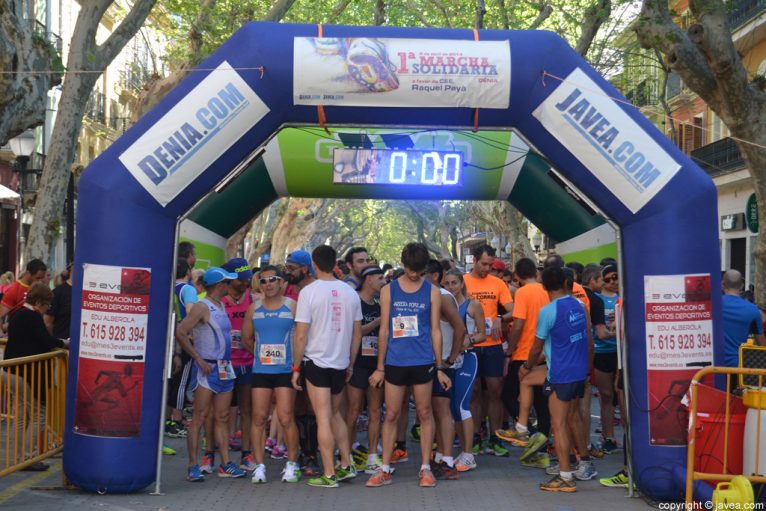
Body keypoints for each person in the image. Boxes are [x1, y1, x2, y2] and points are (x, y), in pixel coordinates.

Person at [366, 242, 450, 488]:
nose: (414, 275)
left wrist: (440, 366)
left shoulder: (432, 291)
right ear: (403, 264)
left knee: (425, 413)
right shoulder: (389, 290)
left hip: (423, 360)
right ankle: (384, 468)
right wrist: (380, 367)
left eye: (419, 271)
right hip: (395, 361)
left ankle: (425, 468)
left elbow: (435, 330)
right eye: (411, 270)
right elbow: (383, 331)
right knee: (391, 414)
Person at [292, 245, 362, 488]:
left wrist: (295, 368)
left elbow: (300, 335)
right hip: (340, 363)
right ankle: (346, 464)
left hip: (316, 362)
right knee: (334, 415)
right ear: (335, 263)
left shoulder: (308, 293)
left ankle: (330, 474)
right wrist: (351, 363)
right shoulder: (351, 292)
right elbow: (356, 334)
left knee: (323, 418)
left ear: (314, 263)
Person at [520, 266, 591, 492]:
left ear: (544, 286)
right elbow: (587, 341)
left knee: (558, 425)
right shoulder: (580, 306)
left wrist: (526, 365)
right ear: (565, 282)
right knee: (572, 418)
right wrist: (589, 370)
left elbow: (535, 348)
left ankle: (565, 477)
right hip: (579, 372)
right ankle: (582, 463)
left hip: (560, 374)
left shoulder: (548, 311)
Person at [175, 267, 247, 482]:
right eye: (228, 282)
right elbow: (180, 331)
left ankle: (225, 464)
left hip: (225, 369)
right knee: (199, 418)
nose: (231, 285)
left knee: (223, 417)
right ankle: (192, 465)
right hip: (207, 369)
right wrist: (197, 358)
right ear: (219, 285)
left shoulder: (221, 304)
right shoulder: (201, 306)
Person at [241, 265, 301, 483]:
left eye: (272, 279)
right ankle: (259, 466)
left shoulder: (292, 306)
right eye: (263, 281)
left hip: (285, 371)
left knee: (285, 417)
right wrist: (259, 354)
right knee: (258, 418)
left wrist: (296, 364)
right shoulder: (253, 308)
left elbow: (303, 337)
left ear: (281, 282)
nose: (268, 284)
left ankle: (292, 463)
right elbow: (246, 338)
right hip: (261, 371)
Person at [5, 282, 68, 471]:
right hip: (27, 374)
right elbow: (46, 340)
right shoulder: (32, 317)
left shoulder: (17, 314)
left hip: (11, 372)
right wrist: (64, 343)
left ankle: (18, 457)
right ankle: (29, 457)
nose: (47, 308)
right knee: (39, 414)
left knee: (22, 416)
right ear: (40, 301)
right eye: (47, 304)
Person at [463, 244, 513, 457]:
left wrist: (501, 318)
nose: (487, 268)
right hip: (470, 345)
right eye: (484, 264)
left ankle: (495, 437)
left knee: (495, 391)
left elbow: (513, 310)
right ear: (474, 260)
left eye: (490, 265)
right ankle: (474, 437)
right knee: (473, 392)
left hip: (493, 345)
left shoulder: (498, 283)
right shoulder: (463, 281)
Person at [498, 258, 551, 457]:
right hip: (545, 354)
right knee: (541, 403)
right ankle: (541, 444)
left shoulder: (522, 292)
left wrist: (509, 351)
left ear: (517, 277)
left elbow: (518, 324)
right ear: (535, 274)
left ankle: (527, 431)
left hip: (525, 354)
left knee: (508, 395)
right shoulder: (546, 290)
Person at [425, 259, 467, 480]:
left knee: (442, 412)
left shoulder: (441, 296)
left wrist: (449, 360)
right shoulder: (431, 295)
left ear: (434, 275)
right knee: (434, 411)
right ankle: (441, 455)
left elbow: (460, 329)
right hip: (432, 362)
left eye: (422, 274)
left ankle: (449, 460)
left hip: (441, 364)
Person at [443, 269, 484, 473]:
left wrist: (470, 339)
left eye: (454, 283)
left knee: (462, 406)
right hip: (450, 360)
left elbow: (484, 334)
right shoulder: (443, 304)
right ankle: (463, 451)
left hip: (468, 358)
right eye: (447, 283)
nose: (451, 287)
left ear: (461, 283)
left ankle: (469, 455)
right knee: (453, 408)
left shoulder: (473, 305)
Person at [346, 265, 386, 474]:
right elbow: (356, 331)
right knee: (352, 412)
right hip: (357, 364)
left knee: (375, 411)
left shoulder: (380, 304)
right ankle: (347, 456)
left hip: (376, 366)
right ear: (369, 279)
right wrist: (379, 321)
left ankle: (372, 457)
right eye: (380, 278)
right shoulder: (354, 301)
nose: (384, 282)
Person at [221, 258, 256, 470]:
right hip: (225, 362)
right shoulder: (219, 300)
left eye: (247, 279)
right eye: (241, 280)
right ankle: (219, 457)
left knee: (247, 410)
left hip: (248, 361)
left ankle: (246, 453)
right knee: (222, 412)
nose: (245, 283)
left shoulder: (252, 299)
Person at [594, 264, 620, 453]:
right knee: (606, 396)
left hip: (620, 352)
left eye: (615, 278)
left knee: (620, 395)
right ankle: (608, 436)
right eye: (608, 278)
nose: (612, 282)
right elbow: (600, 333)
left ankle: (624, 437)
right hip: (601, 352)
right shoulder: (596, 300)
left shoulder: (622, 299)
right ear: (602, 279)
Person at [722, 269, 766, 368]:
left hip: (712, 368)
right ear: (742, 285)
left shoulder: (712, 305)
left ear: (722, 285)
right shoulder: (753, 310)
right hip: (738, 368)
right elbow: (762, 344)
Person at [0, 258, 47, 324]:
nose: (40, 281)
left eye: (42, 278)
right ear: (28, 273)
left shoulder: (40, 288)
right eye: (37, 278)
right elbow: (1, 315)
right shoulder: (14, 290)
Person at [44, 263, 73, 338]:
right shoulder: (58, 292)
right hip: (62, 345)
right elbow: (47, 322)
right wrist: (55, 342)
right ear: (72, 267)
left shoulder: (89, 292)